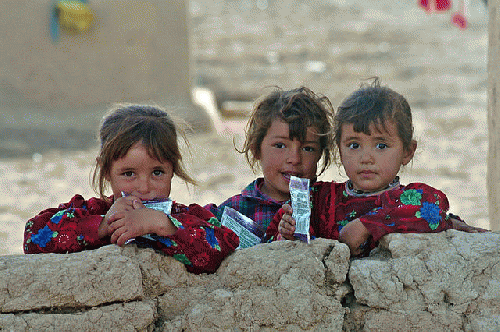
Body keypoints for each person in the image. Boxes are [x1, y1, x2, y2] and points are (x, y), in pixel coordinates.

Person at [267, 78, 488, 256]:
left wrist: (366, 225)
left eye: (381, 146)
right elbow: (269, 244)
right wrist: (288, 233)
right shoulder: (319, 199)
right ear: (338, 150)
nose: (366, 158)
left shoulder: (410, 199)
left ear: (407, 152)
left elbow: (433, 209)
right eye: (354, 145)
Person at [24, 104, 239, 274]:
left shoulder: (187, 219)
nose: (144, 188)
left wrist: (162, 224)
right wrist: (102, 226)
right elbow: (34, 237)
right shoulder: (94, 212)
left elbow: (225, 246)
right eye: (128, 174)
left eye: (157, 172)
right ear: (106, 170)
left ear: (172, 170)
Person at [205, 87, 335, 241]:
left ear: (320, 154)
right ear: (256, 149)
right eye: (280, 145)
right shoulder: (235, 211)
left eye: (308, 148)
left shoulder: (328, 207)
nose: (294, 159)